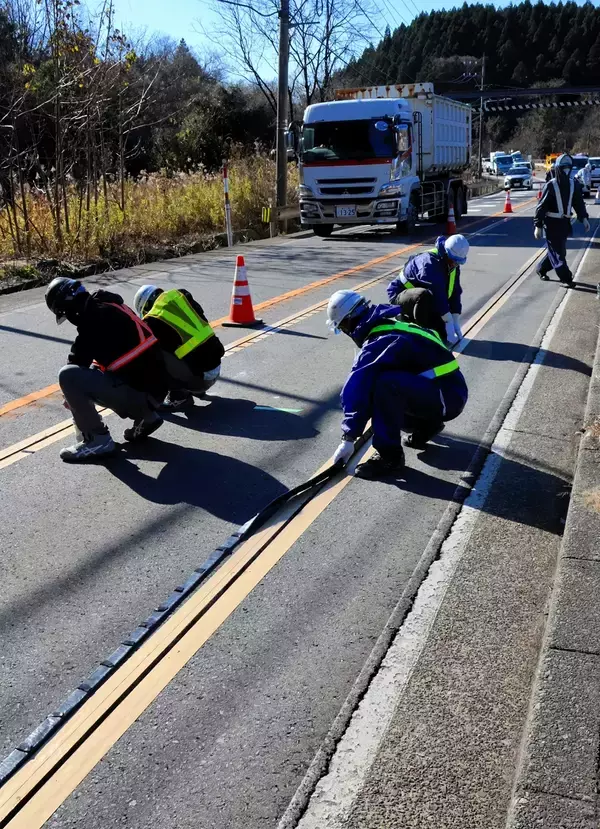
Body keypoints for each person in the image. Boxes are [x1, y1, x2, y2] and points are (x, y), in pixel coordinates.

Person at [327, 290, 468, 480]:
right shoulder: (392, 325)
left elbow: (357, 386)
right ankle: (426, 425)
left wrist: (349, 438)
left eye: (343, 327)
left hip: (446, 398)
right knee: (389, 388)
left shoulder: (380, 341)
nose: (346, 332)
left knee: (384, 385)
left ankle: (389, 457)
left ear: (350, 320)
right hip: (448, 393)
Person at [46, 278, 168, 462]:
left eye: (65, 313)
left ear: (69, 305)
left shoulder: (93, 318)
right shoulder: (109, 305)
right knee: (95, 370)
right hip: (156, 389)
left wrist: (70, 397)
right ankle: (147, 417)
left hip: (142, 394)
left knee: (68, 376)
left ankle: (97, 439)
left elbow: (76, 362)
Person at [133, 285, 225, 410]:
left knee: (155, 356)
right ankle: (192, 387)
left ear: (145, 306)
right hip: (216, 367)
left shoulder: (153, 320)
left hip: (200, 379)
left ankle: (179, 397)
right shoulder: (181, 295)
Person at [386, 234, 470, 346]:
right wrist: (448, 320)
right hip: (401, 296)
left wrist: (455, 319)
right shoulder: (429, 262)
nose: (455, 264)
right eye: (453, 261)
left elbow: (455, 291)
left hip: (426, 301)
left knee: (442, 334)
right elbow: (438, 292)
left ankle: (423, 325)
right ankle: (407, 320)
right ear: (446, 253)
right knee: (423, 296)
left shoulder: (453, 264)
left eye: (458, 262)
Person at [534, 153, 590, 285]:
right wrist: (538, 225)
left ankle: (541, 269)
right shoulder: (550, 185)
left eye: (569, 167)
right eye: (564, 167)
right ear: (558, 168)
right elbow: (541, 207)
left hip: (565, 223)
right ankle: (567, 278)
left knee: (558, 250)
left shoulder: (573, 184)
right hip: (551, 224)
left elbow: (579, 203)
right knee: (559, 254)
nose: (566, 170)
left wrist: (584, 218)